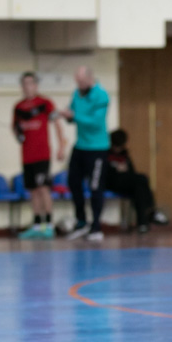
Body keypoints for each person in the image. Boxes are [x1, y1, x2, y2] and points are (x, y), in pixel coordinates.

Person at [58, 66, 110, 242]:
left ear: (89, 78)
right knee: (73, 182)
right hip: (80, 146)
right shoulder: (76, 93)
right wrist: (67, 115)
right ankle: (81, 222)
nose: (79, 85)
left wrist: (74, 115)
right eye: (77, 82)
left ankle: (96, 227)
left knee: (95, 187)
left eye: (81, 81)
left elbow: (95, 122)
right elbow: (72, 115)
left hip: (98, 148)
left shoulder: (101, 95)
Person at [13, 72, 67, 240]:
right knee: (33, 190)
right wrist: (18, 134)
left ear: (36, 85)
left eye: (30, 83)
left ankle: (48, 225)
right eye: (24, 83)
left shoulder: (45, 103)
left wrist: (61, 146)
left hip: (42, 154)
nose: (27, 87)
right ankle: (37, 225)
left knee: (44, 188)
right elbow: (15, 128)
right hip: (26, 156)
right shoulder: (18, 107)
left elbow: (57, 124)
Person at [103, 129, 169, 234]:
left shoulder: (124, 154)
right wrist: (116, 169)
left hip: (126, 183)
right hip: (112, 183)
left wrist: (125, 169)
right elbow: (103, 174)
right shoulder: (106, 154)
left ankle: (143, 223)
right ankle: (151, 213)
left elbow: (132, 172)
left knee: (139, 188)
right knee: (141, 180)